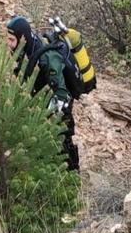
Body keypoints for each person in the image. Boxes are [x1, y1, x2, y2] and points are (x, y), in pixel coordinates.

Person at [5, 15, 80, 171]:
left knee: (62, 145)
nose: (8, 44)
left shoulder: (46, 56)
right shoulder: (25, 51)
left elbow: (61, 93)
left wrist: (50, 117)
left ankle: (72, 180)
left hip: (58, 106)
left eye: (12, 40)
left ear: (23, 38)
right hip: (40, 103)